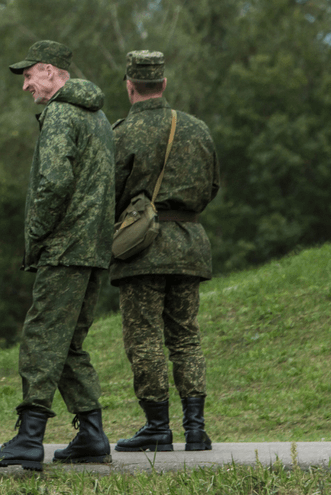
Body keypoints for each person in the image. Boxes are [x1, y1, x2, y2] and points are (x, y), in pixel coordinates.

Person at [0, 41, 115, 471]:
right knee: (68, 342)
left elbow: (54, 183)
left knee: (41, 338)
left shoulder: (60, 113)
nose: (26, 86)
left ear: (51, 72)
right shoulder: (99, 116)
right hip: (94, 248)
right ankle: (92, 435)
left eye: (29, 76)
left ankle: (29, 439)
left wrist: (36, 238)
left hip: (66, 246)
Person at [110, 51, 220, 453]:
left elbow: (110, 192)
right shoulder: (197, 129)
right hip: (190, 244)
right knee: (186, 337)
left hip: (143, 250)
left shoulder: (122, 132)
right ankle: (196, 429)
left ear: (129, 85)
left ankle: (157, 427)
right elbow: (210, 188)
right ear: (164, 84)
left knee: (145, 338)